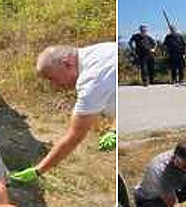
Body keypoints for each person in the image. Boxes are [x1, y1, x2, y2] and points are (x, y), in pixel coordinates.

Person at [11, 43, 116, 185]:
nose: (55, 86)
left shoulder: (90, 83)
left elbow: (74, 136)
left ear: (66, 63)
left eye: (51, 78)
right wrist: (114, 129)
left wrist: (37, 171)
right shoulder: (104, 49)